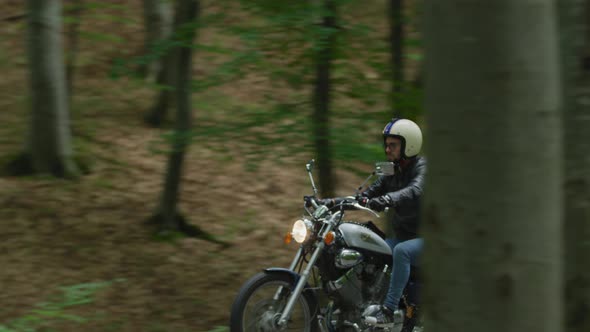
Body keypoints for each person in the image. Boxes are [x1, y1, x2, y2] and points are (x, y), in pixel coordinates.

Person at [324, 118, 426, 327]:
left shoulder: (423, 167)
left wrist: (388, 199)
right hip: (401, 238)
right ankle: (364, 305)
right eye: (386, 145)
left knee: (402, 252)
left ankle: (388, 310)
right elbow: (366, 195)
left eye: (393, 145)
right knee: (371, 251)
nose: (387, 150)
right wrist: (329, 203)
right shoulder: (390, 170)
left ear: (409, 145)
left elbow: (415, 190)